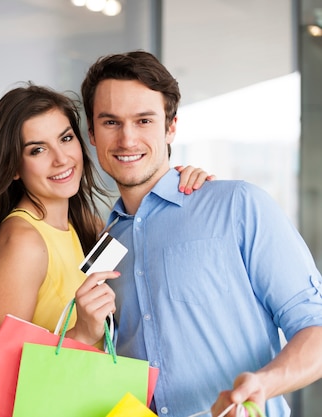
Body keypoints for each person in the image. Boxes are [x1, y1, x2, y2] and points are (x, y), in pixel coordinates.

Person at [80, 50, 322, 417]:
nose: (127, 139)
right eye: (111, 122)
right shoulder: (105, 241)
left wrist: (264, 384)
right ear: (92, 134)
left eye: (144, 120)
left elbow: (315, 325)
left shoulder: (238, 206)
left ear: (171, 126)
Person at [0, 82, 212, 379]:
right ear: (14, 167)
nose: (61, 159)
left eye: (66, 138)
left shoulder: (86, 226)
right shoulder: (24, 241)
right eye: (37, 149)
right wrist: (81, 333)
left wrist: (179, 183)